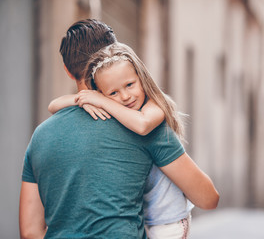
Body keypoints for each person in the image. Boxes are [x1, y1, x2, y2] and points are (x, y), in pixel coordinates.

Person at [19, 19, 219, 239]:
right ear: (112, 57)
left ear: (67, 70)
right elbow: (207, 198)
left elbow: (30, 232)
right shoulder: (142, 123)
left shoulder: (40, 136)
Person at [48, 42, 194, 237]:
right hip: (146, 218)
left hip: (170, 221)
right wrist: (84, 99)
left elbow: (142, 125)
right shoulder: (119, 112)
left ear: (141, 78)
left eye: (130, 85)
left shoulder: (154, 107)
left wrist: (102, 100)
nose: (125, 96)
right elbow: (53, 105)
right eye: (113, 92)